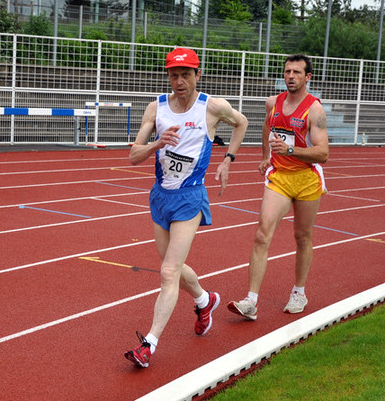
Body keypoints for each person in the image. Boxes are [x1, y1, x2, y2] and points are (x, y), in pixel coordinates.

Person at [124, 47, 248, 368]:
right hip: (160, 197)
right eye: (174, 75)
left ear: (197, 75)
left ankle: (148, 344)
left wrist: (228, 160)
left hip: (190, 197)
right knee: (172, 266)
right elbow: (134, 155)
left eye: (185, 75)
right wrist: (156, 143)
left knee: (167, 273)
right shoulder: (157, 108)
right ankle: (205, 300)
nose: (179, 81)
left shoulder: (212, 107)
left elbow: (242, 123)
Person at [227, 54, 329, 320]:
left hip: (306, 180)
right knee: (262, 233)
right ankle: (250, 301)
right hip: (280, 177)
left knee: (302, 237)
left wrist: (291, 149)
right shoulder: (273, 102)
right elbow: (266, 125)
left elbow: (323, 153)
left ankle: (299, 292)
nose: (291, 76)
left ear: (308, 77)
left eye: (297, 72)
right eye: (287, 71)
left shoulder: (314, 110)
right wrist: (265, 155)